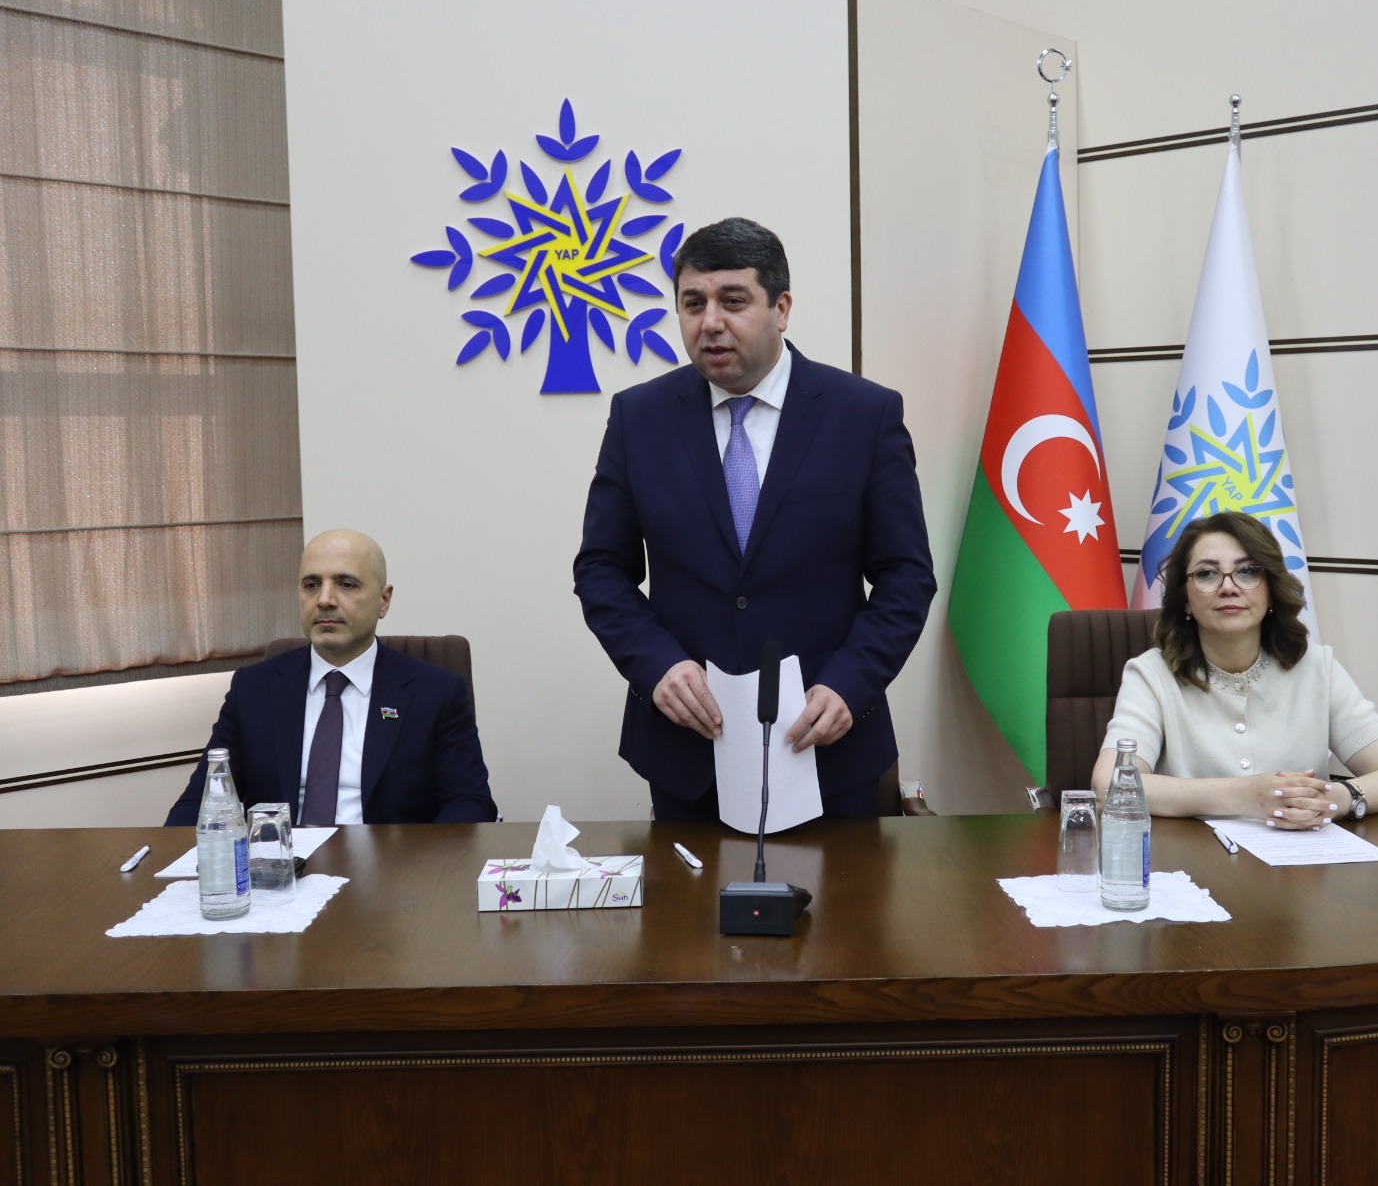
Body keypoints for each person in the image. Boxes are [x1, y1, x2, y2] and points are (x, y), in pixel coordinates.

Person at [574, 217, 936, 820]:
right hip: (688, 750)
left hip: (826, 745)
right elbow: (601, 570)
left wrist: (850, 681)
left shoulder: (863, 415)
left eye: (733, 301)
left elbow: (906, 576)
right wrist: (657, 665)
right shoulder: (640, 418)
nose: (710, 322)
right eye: (693, 303)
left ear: (781, 308)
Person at [1092, 510, 1378, 828]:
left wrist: (1336, 799)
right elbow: (1110, 786)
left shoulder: (1317, 668)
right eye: (1207, 574)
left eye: (1247, 571)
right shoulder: (1151, 674)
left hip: (1300, 858)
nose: (1228, 587)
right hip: (1192, 855)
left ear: (1271, 590)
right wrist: (1245, 795)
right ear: (1185, 599)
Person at [165, 529, 497, 826]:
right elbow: (200, 803)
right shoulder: (253, 688)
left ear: (384, 600)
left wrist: (417, 867)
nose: (324, 600)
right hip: (281, 868)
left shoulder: (435, 692)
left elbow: (470, 804)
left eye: (346, 584)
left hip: (393, 868)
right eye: (311, 585)